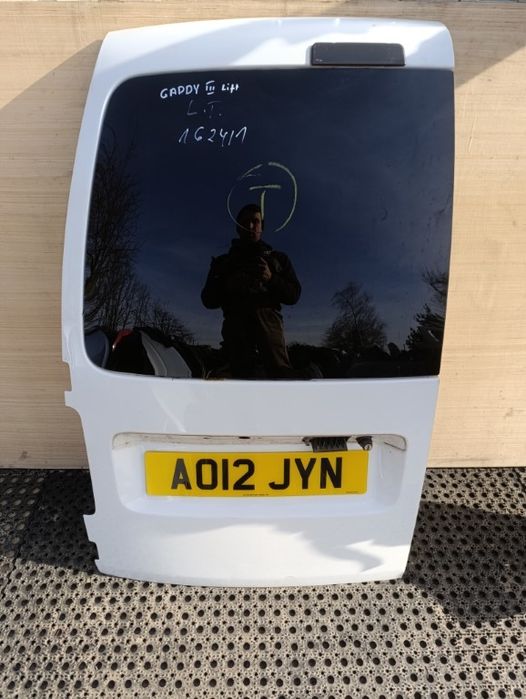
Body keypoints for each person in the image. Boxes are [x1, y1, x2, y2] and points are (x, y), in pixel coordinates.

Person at [201, 204, 301, 378]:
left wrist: (271, 279)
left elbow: (294, 295)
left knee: (281, 382)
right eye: (245, 222)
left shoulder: (278, 259)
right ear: (237, 228)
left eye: (255, 221)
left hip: (272, 342)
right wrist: (228, 285)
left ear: (262, 226)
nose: (250, 226)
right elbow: (207, 300)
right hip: (235, 342)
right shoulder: (222, 263)